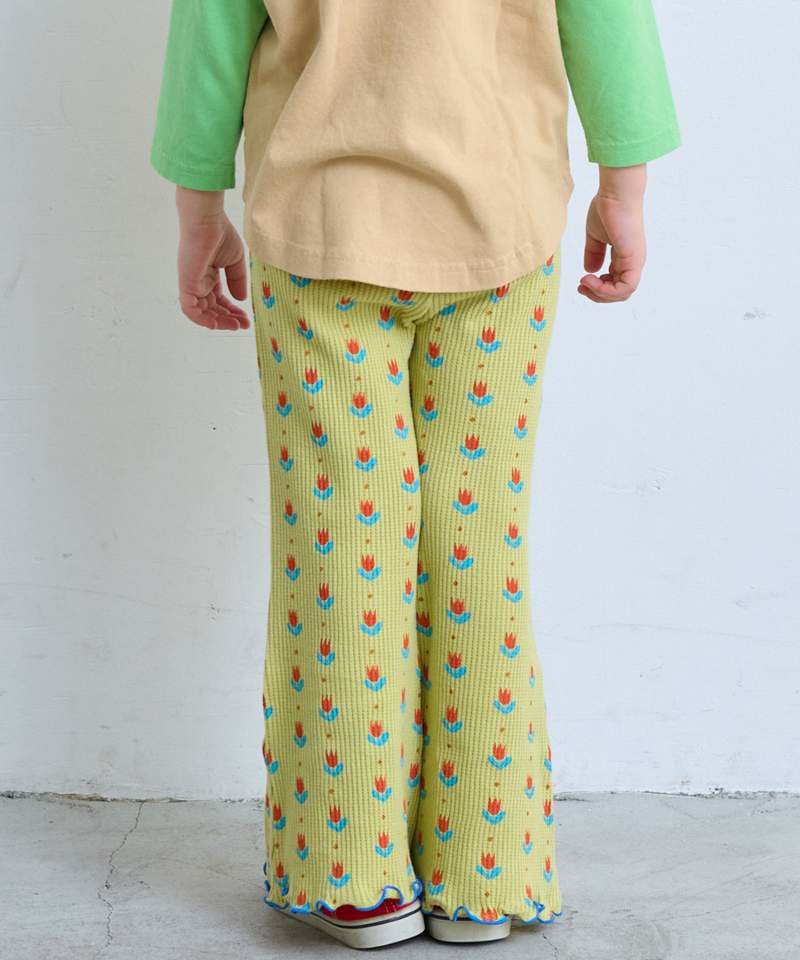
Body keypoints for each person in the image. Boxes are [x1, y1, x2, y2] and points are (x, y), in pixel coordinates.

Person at [149, 0, 680, 949]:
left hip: (317, 232)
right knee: (480, 551)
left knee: (339, 551)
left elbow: (210, 34)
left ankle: (352, 878)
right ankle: (486, 873)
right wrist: (622, 192)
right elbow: (611, 23)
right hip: (500, 228)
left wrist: (199, 213)